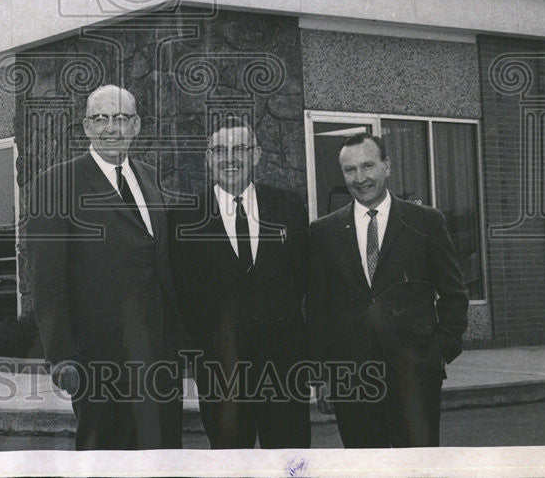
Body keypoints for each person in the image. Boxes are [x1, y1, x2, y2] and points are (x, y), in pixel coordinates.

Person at [25, 84, 183, 450]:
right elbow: (46, 282)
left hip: (159, 358)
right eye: (101, 119)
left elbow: (159, 261)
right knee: (106, 458)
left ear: (137, 126)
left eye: (121, 119)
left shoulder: (150, 177)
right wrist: (61, 355)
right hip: (99, 359)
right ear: (86, 127)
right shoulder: (56, 185)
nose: (111, 128)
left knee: (163, 456)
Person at [307, 133, 468, 448]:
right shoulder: (323, 232)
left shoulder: (426, 222)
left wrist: (440, 352)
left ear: (387, 166)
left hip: (416, 377)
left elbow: (454, 294)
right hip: (351, 383)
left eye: (368, 166)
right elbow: (317, 310)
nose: (360, 178)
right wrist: (322, 376)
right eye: (350, 170)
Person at [171, 118, 311, 448]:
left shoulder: (288, 206)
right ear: (207, 158)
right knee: (231, 464)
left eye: (240, 149)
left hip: (284, 371)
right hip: (221, 375)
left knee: (290, 464)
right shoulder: (185, 216)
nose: (229, 158)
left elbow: (303, 279)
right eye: (219, 150)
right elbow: (183, 294)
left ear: (257, 155)